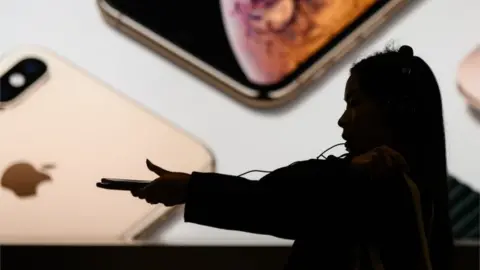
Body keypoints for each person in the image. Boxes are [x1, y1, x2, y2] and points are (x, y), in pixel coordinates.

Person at [131, 45, 454, 270]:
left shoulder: (376, 184)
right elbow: (278, 198)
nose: (343, 120)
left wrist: (191, 189)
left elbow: (274, 204)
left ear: (395, 109)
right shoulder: (411, 185)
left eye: (354, 103)